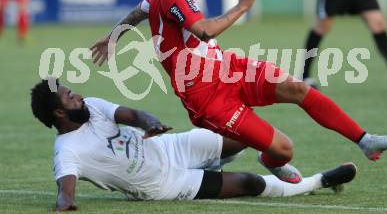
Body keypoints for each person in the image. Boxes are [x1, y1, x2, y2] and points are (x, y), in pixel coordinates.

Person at [90, 0, 387, 185]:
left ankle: (364, 140)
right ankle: (269, 159)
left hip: (227, 68)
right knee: (284, 148)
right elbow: (203, 31)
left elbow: (138, 12)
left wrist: (113, 36)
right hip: (206, 96)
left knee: (296, 88)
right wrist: (242, 6)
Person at [30, 79, 357, 211]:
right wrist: (65, 203)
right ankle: (319, 181)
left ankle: (271, 159)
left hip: (173, 147)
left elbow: (133, 113)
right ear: (60, 112)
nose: (79, 95)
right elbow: (65, 188)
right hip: (165, 184)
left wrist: (151, 123)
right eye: (70, 96)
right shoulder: (67, 150)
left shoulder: (95, 106)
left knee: (243, 129)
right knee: (249, 184)